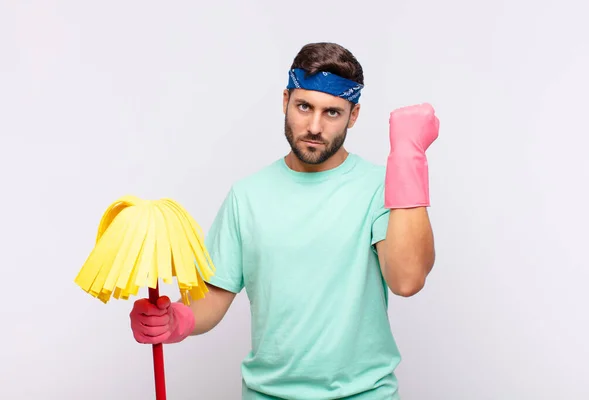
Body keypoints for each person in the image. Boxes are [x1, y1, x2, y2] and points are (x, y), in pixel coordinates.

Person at [129, 42, 439, 399]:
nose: (314, 126)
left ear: (354, 115)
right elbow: (214, 294)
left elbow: (407, 279)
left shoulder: (382, 189)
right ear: (285, 101)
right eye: (304, 107)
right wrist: (175, 321)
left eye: (332, 113)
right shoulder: (247, 196)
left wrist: (408, 156)